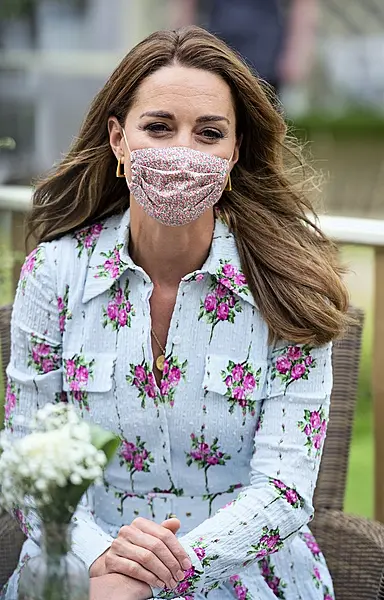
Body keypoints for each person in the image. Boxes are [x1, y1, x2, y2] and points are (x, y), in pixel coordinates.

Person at [4, 26, 349, 600]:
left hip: (243, 575)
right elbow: (27, 457)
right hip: (87, 568)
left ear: (234, 153)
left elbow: (286, 487)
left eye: (209, 133)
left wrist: (169, 573)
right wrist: (104, 559)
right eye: (159, 126)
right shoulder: (54, 273)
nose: (183, 150)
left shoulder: (290, 286)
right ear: (118, 138)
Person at [171, 0, 319, 96]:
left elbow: (303, 7)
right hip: (218, 43)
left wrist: (297, 55)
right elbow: (185, 7)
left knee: (261, 121)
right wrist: (180, 47)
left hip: (265, 49)